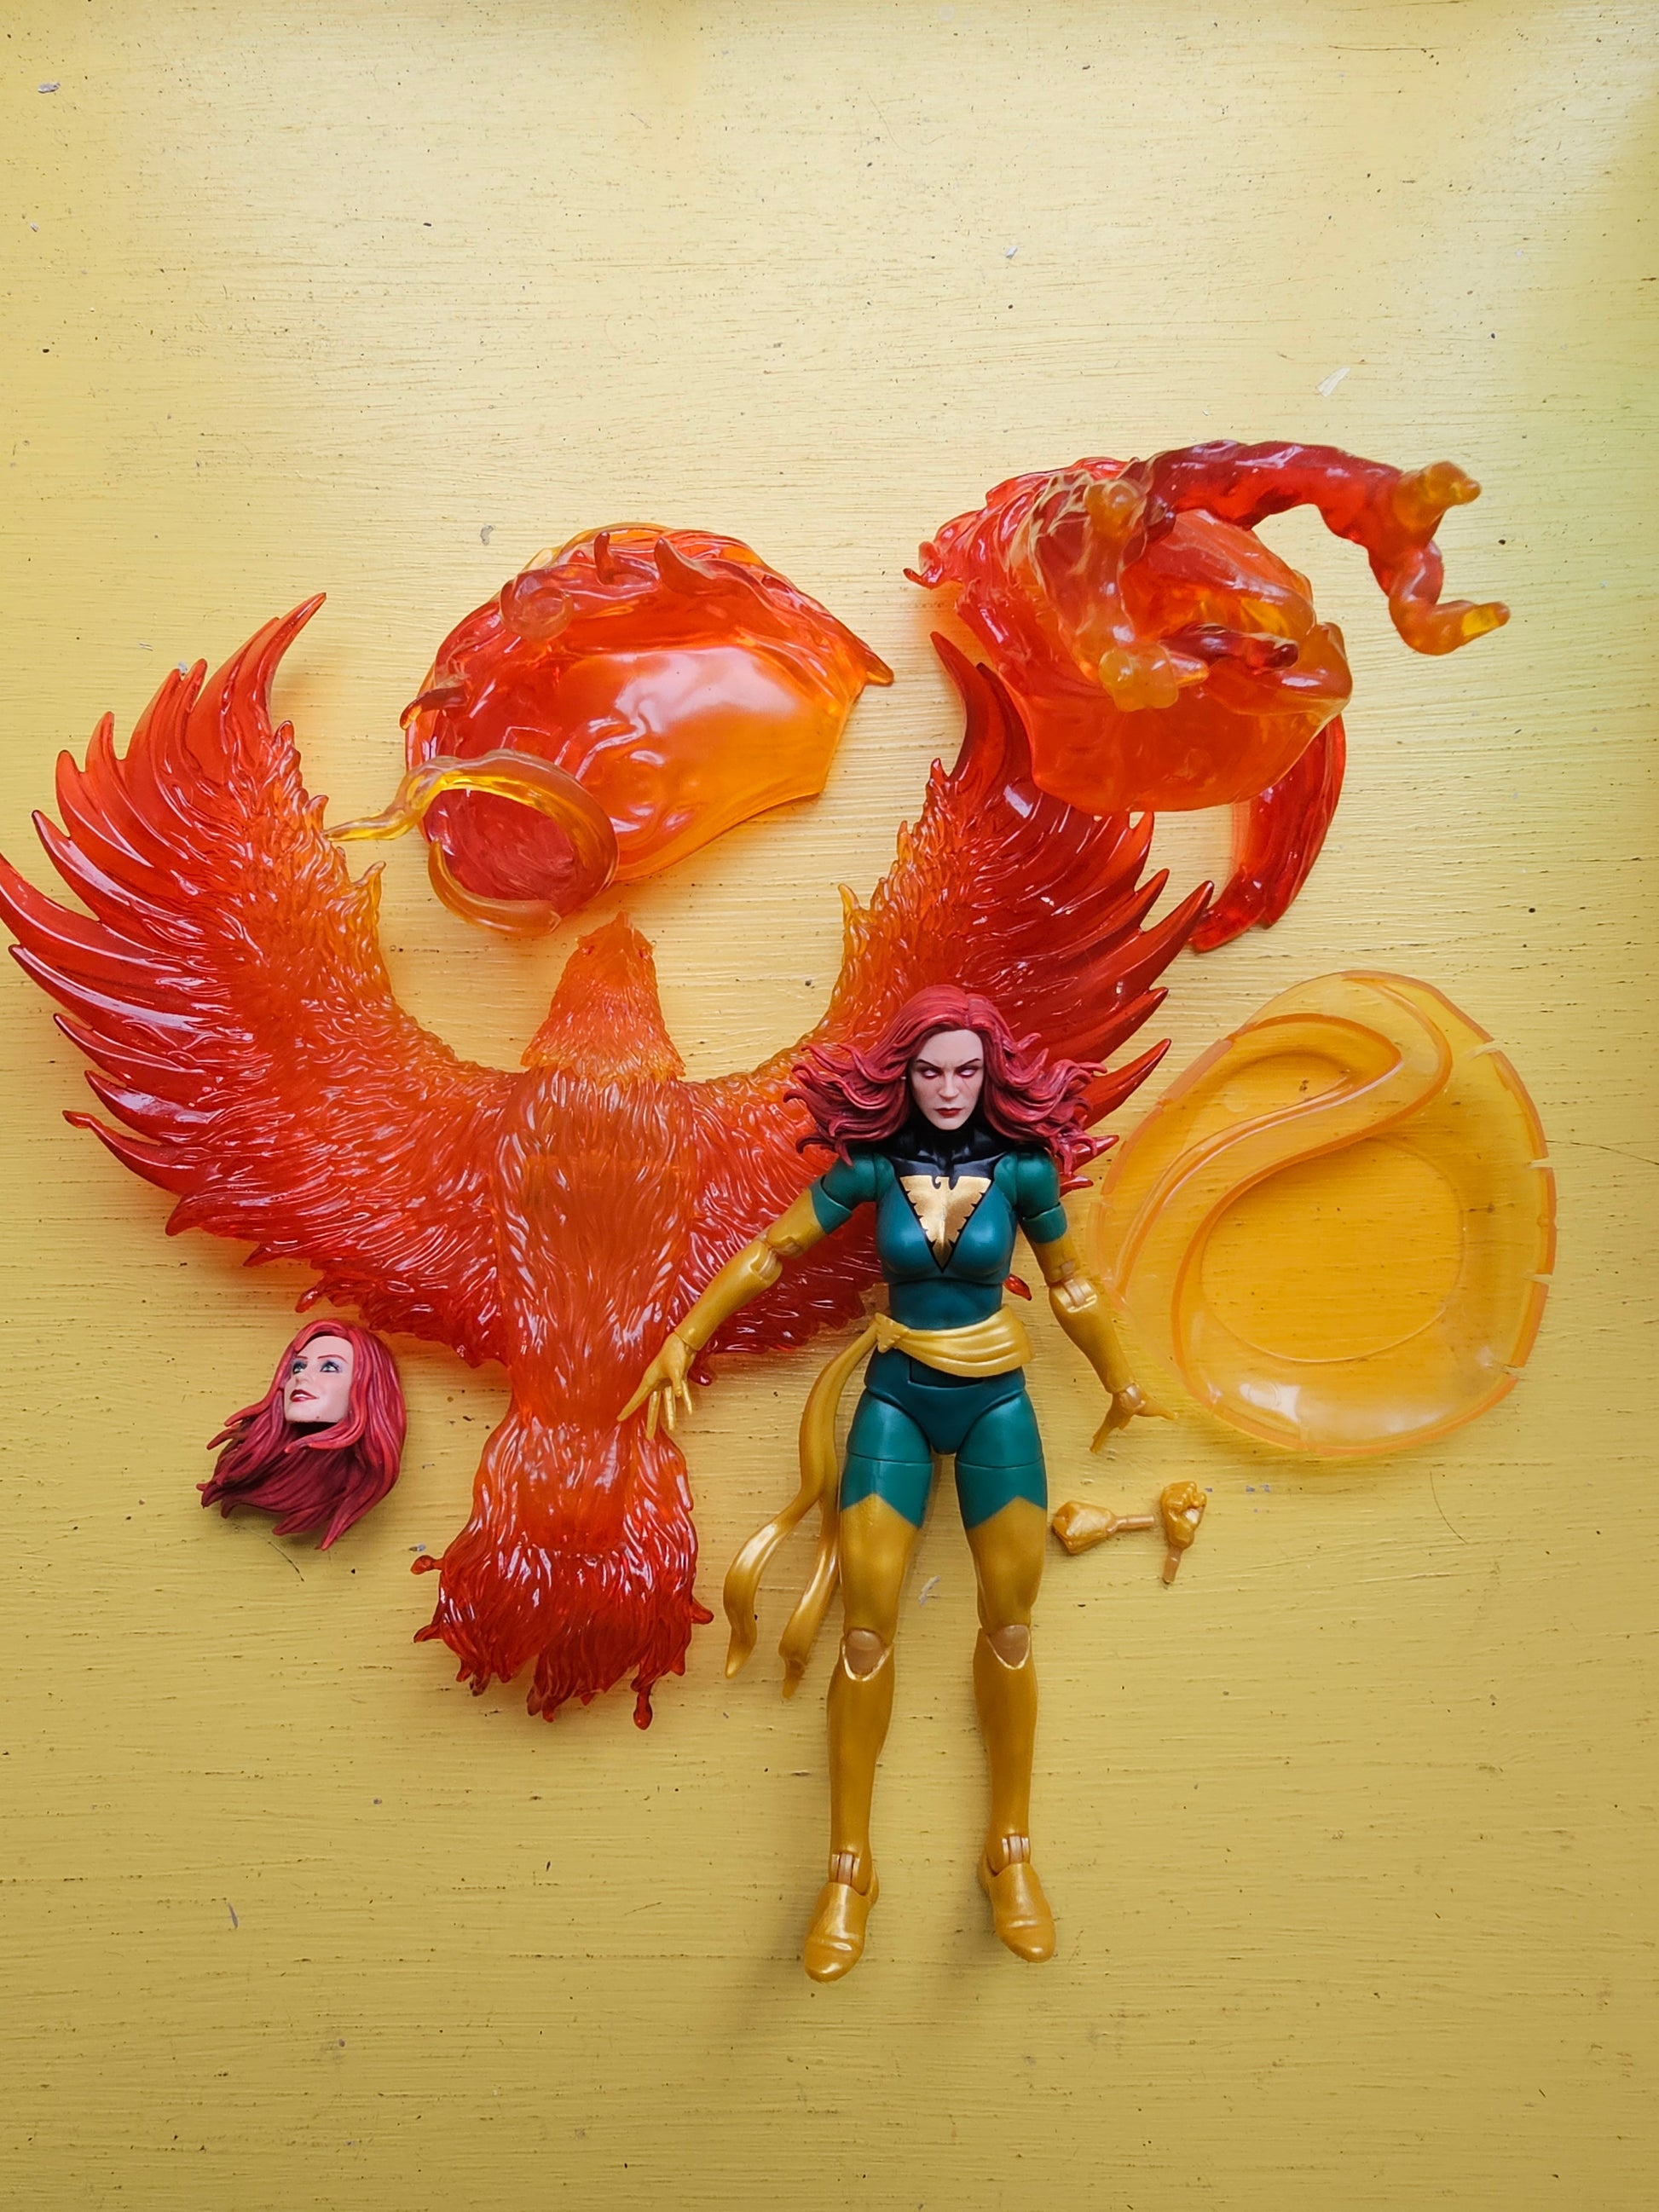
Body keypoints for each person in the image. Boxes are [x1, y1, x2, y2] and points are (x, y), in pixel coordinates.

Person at [622, 985, 1165, 1979]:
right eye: (928, 1071)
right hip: (896, 1398)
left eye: (965, 1070)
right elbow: (773, 1250)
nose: (948, 1089)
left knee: (1010, 1624)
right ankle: (847, 1869)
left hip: (996, 1401)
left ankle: (1009, 1853)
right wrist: (682, 1339)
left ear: (990, 1074)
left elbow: (1071, 1283)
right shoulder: (869, 1167)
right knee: (866, 1629)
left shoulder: (1023, 1170)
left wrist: (1119, 1378)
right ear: (903, 1077)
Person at [201, 1320, 407, 1550]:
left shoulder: (358, 1472)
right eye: (298, 1367)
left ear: (368, 1386)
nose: (301, 1377)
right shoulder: (271, 1459)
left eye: (329, 1367)